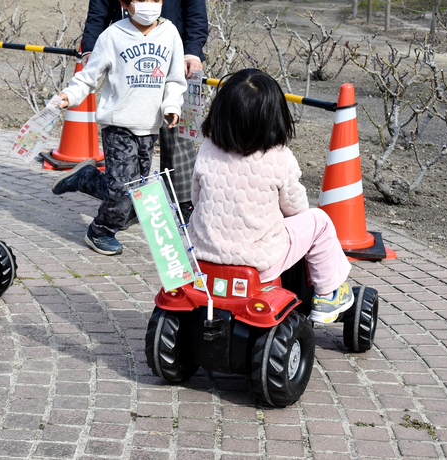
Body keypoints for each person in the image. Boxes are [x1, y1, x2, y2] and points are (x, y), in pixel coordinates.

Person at [188, 69, 354, 324]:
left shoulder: (208, 149)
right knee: (318, 221)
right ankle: (327, 294)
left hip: (204, 256)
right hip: (259, 261)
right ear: (274, 118)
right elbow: (295, 208)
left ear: (221, 112)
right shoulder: (279, 157)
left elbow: (196, 198)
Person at [51, 0, 186, 256]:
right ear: (125, 3)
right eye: (141, 0)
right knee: (123, 189)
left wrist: (172, 106)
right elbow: (89, 76)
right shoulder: (112, 35)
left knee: (134, 190)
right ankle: (100, 231)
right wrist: (70, 95)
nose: (150, 5)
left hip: (150, 125)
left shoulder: (170, 34)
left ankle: (86, 178)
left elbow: (175, 79)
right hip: (118, 124)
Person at [80, 0, 208, 223]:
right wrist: (90, 49)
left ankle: (185, 204)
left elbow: (196, 12)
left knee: (178, 138)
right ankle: (123, 204)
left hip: (174, 60)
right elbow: (97, 12)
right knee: (129, 156)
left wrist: (192, 52)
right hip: (127, 64)